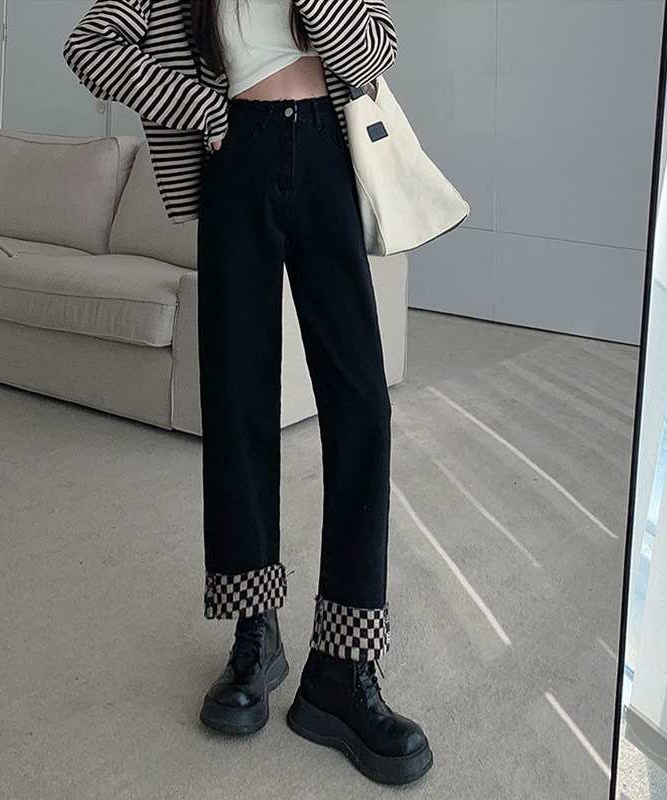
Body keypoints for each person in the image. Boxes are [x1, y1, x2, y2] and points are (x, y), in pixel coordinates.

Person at [63, 0, 432, 785]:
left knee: (362, 407)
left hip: (327, 154)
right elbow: (90, 45)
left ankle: (342, 667)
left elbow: (374, 51)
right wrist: (199, 105)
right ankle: (254, 633)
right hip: (235, 157)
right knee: (237, 406)